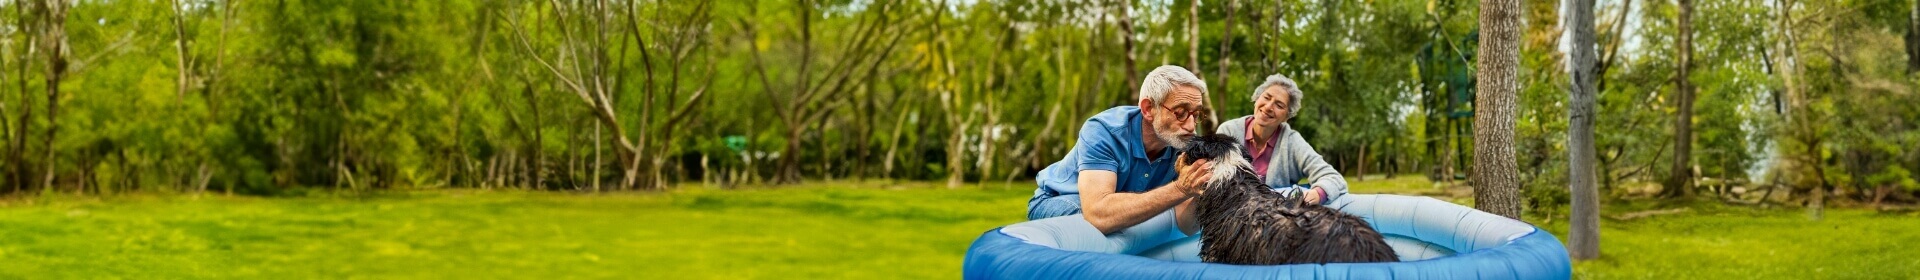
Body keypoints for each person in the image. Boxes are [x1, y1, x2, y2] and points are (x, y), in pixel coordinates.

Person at [1026, 65, 1214, 235]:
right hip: (1059, 199)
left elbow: (1186, 226)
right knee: (1104, 227)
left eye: (1196, 114)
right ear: (1148, 109)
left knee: (1133, 223)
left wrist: (1203, 188)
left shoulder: (1181, 144)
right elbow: (1099, 214)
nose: (1191, 126)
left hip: (1110, 208)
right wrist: (1180, 188)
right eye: (1180, 112)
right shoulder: (1104, 131)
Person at [1214, 74, 1349, 205]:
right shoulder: (1229, 131)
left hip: (1275, 219)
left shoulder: (1292, 142)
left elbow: (1334, 178)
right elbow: (1217, 180)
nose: (1268, 107)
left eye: (1279, 105)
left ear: (1287, 117)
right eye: (1266, 97)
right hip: (1232, 214)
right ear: (1256, 98)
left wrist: (1317, 194)